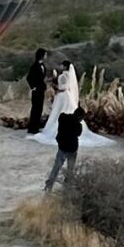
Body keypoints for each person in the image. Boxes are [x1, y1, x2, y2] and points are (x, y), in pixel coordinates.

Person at [44, 63, 84, 191]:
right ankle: (68, 187)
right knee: (70, 168)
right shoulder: (78, 126)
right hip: (72, 148)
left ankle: (49, 185)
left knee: (56, 166)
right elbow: (78, 134)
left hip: (62, 146)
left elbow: (62, 115)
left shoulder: (63, 118)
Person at [25, 48, 50, 133]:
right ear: (42, 55)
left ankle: (36, 127)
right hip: (36, 90)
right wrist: (33, 87)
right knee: (35, 109)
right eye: (45, 54)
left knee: (39, 109)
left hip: (41, 89)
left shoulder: (42, 65)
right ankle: (32, 128)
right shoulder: (34, 66)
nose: (46, 56)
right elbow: (28, 78)